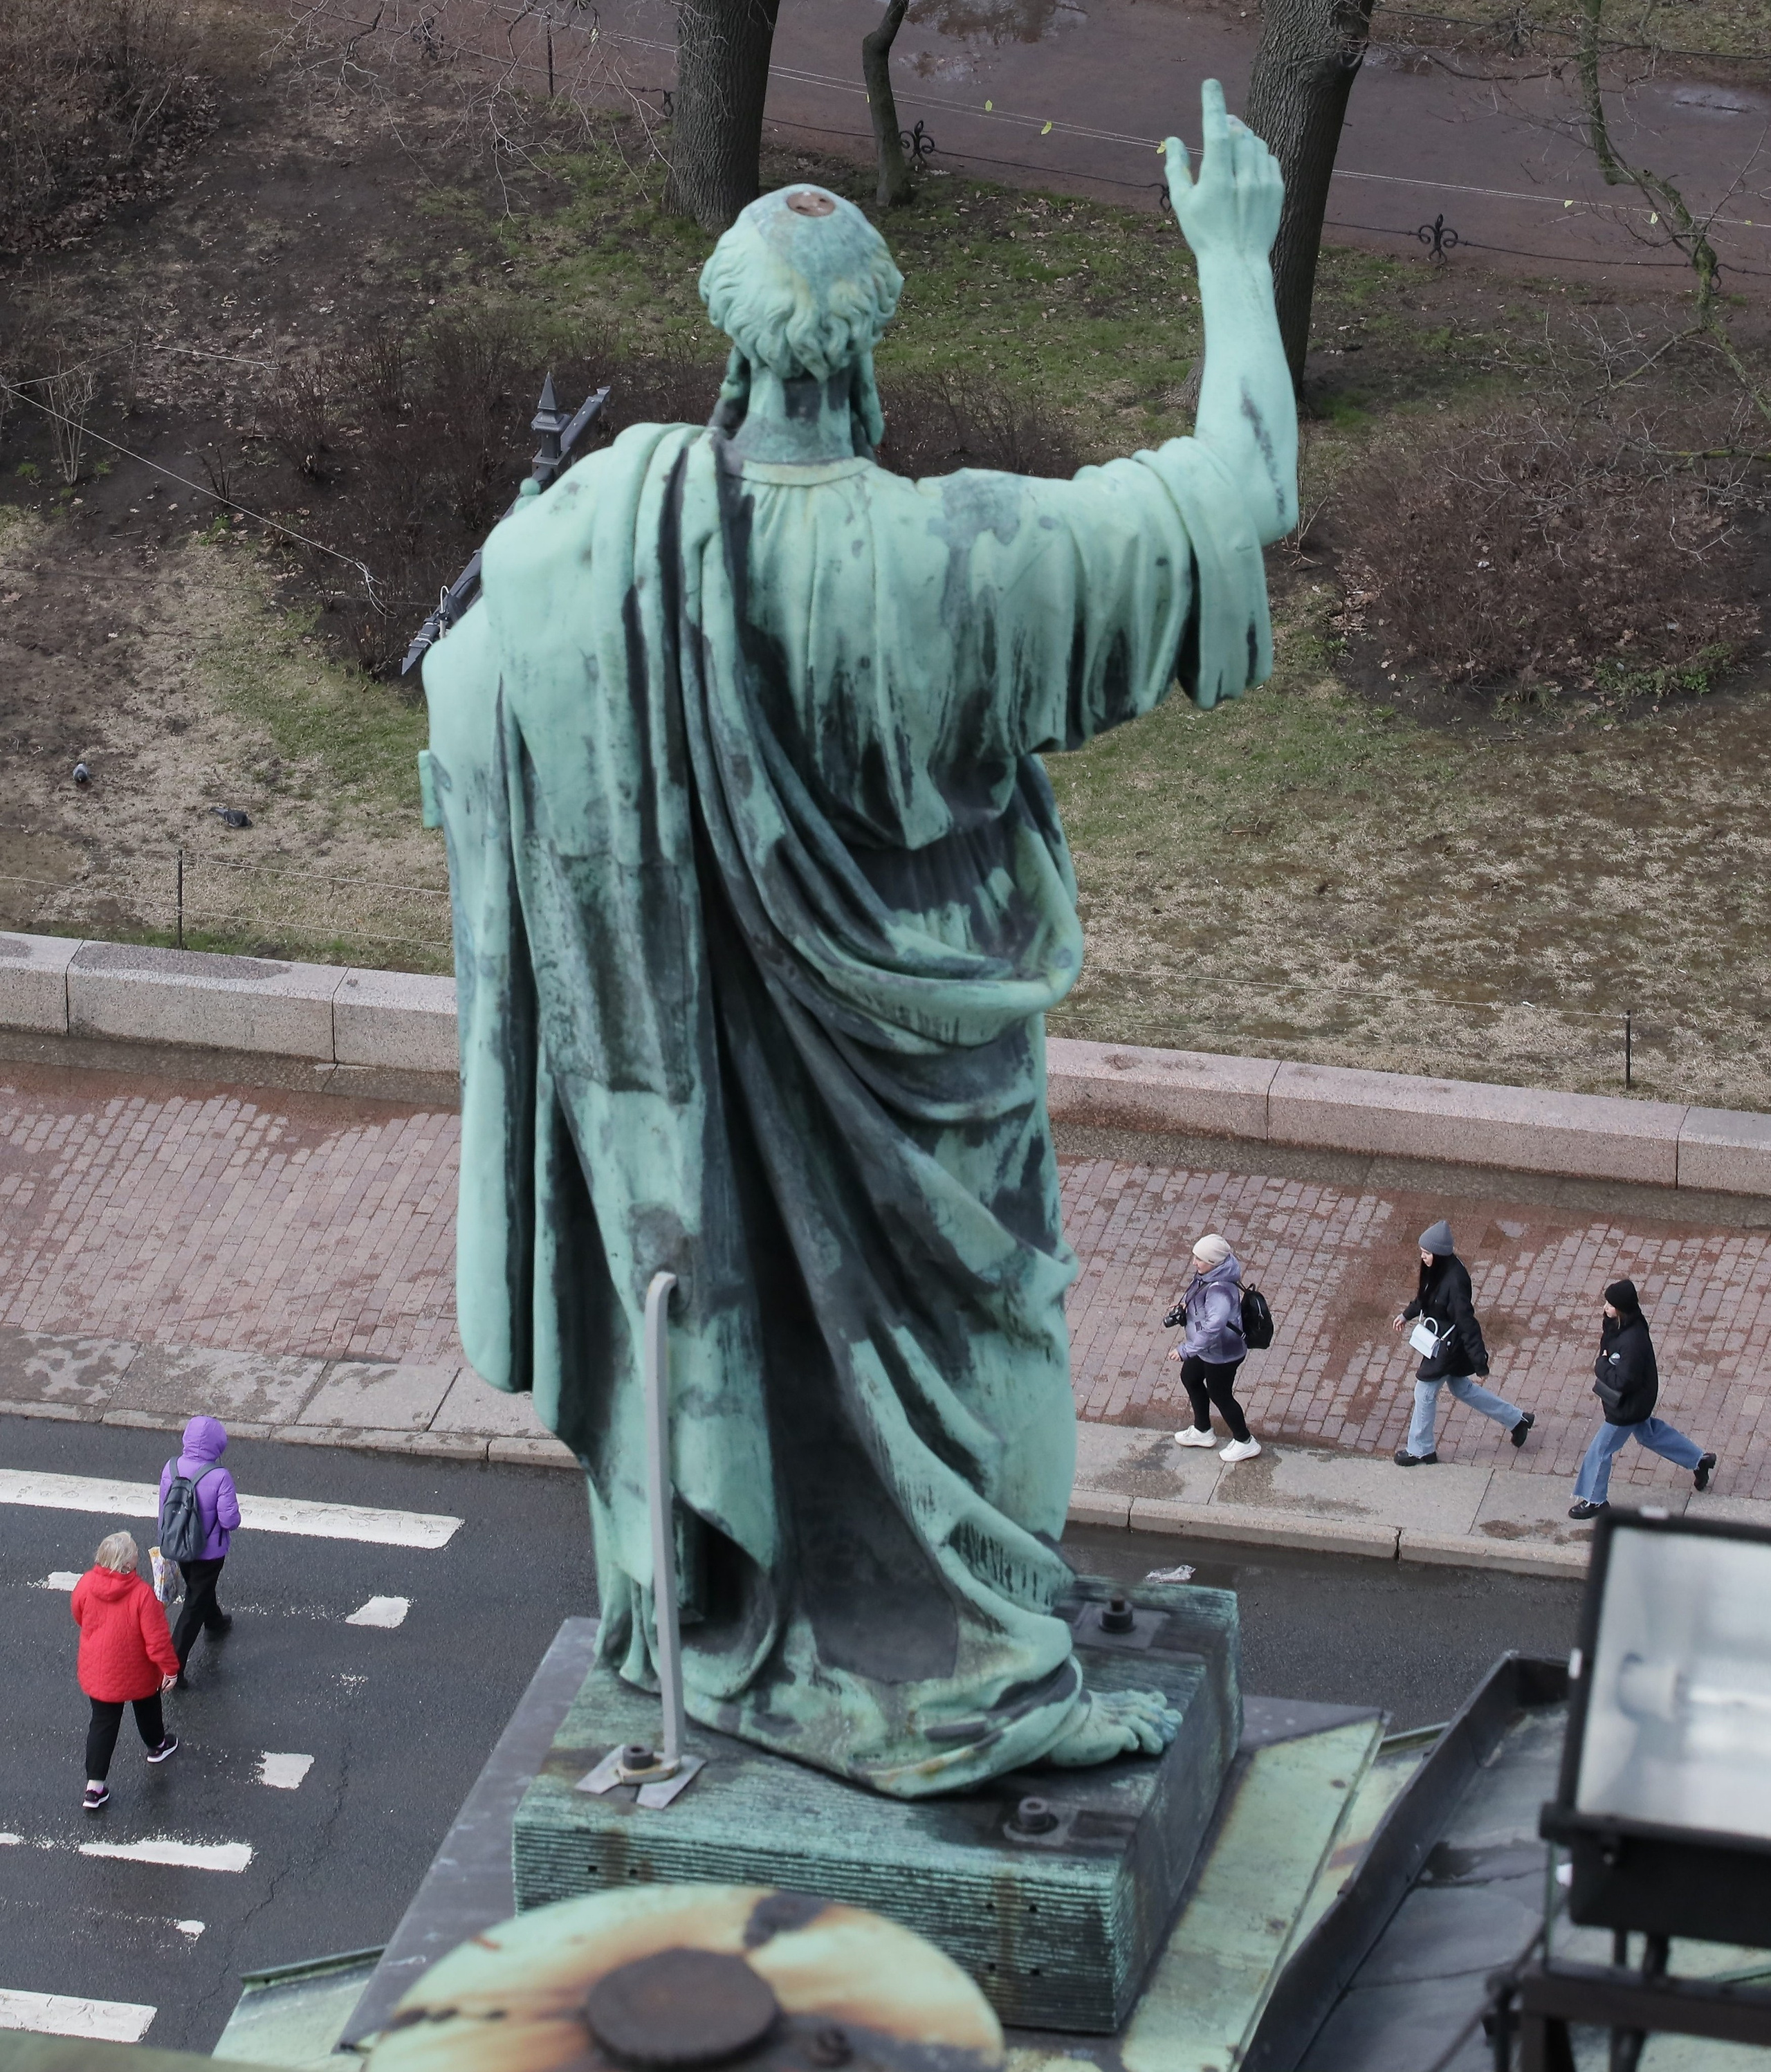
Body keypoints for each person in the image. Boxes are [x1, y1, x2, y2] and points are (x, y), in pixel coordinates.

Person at [419, 84, 1296, 1795]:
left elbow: (463, 692)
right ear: (873, 353)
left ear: (730, 354)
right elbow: (1241, 485)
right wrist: (1231, 258)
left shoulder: (604, 536)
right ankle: (977, 1660)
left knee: (729, 1325)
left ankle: (739, 1618)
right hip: (942, 1113)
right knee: (986, 1355)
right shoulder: (966, 556)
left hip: (686, 1108)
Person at [1569, 1278, 1716, 1519]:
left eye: (1610, 1304)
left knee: (1600, 1450)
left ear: (1622, 1308)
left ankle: (1594, 1500)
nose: (1605, 1307)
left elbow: (1624, 1381)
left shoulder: (1632, 1340)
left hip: (1628, 1405)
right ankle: (1699, 1460)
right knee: (1650, 1434)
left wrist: (1601, 1364)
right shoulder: (1623, 1325)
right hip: (1637, 1400)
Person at [1391, 1220, 1534, 1465]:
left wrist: (1480, 1361)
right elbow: (1424, 1297)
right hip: (1444, 1343)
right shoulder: (1439, 1269)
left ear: (1438, 1254)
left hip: (1448, 1348)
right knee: (1461, 1388)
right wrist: (1407, 1314)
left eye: (1426, 1254)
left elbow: (1468, 1323)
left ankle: (1420, 1448)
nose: (1422, 1258)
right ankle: (1517, 1420)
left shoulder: (1455, 1282)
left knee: (1424, 1391)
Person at [72, 1531, 179, 1811]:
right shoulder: (142, 1595)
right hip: (138, 1670)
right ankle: (157, 1746)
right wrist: (171, 1669)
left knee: (103, 1724)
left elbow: (78, 1613)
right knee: (147, 1707)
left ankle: (94, 1788)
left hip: (99, 1670)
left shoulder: (86, 1583)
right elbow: (157, 1642)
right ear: (127, 1564)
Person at [159, 1415, 240, 1678]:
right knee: (194, 1602)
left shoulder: (170, 1467)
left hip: (180, 1545)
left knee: (199, 1588)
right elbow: (230, 1520)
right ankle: (173, 1666)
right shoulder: (220, 1476)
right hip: (210, 1552)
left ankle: (214, 1620)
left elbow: (163, 1511)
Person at [1167, 1234, 1260, 1463]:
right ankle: (1202, 1430)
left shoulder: (1219, 1290)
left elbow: (1213, 1327)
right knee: (1190, 1377)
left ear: (1215, 1262)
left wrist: (1186, 1350)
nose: (1195, 1262)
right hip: (1208, 1348)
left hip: (1222, 1352)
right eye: (1195, 1256)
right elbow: (1200, 1301)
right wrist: (1184, 1307)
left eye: (1200, 1259)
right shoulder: (1208, 1274)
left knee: (1220, 1394)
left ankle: (1245, 1441)